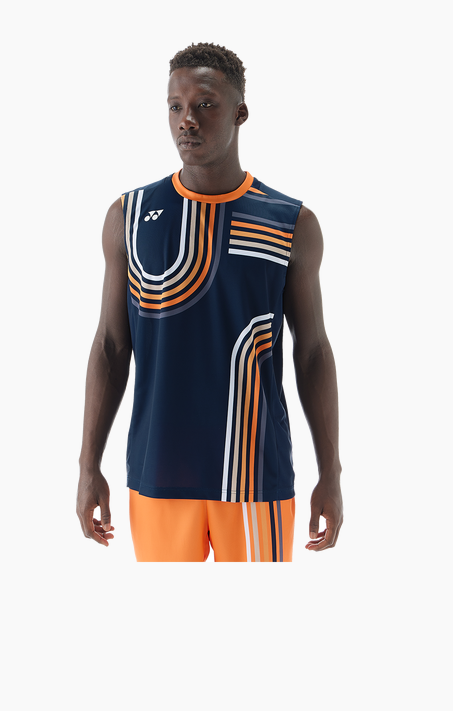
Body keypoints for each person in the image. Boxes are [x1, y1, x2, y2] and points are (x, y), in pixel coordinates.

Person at [76, 42, 343, 562]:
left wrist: (329, 473)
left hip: (255, 477)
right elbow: (110, 346)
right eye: (175, 106)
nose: (187, 120)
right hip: (157, 474)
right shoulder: (128, 216)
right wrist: (88, 466)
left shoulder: (290, 223)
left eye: (204, 105)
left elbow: (312, 352)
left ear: (240, 113)